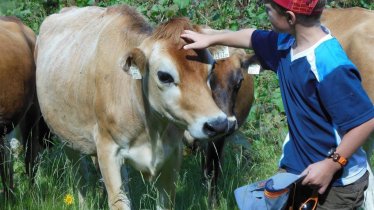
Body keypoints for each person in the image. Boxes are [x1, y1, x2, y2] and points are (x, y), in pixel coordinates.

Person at [181, 0, 374, 209]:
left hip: (336, 183)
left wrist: (331, 164)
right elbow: (252, 36)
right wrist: (210, 39)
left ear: (290, 18)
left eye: (268, 11)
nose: (266, 17)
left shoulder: (328, 62)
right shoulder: (284, 45)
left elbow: (364, 122)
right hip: (297, 172)